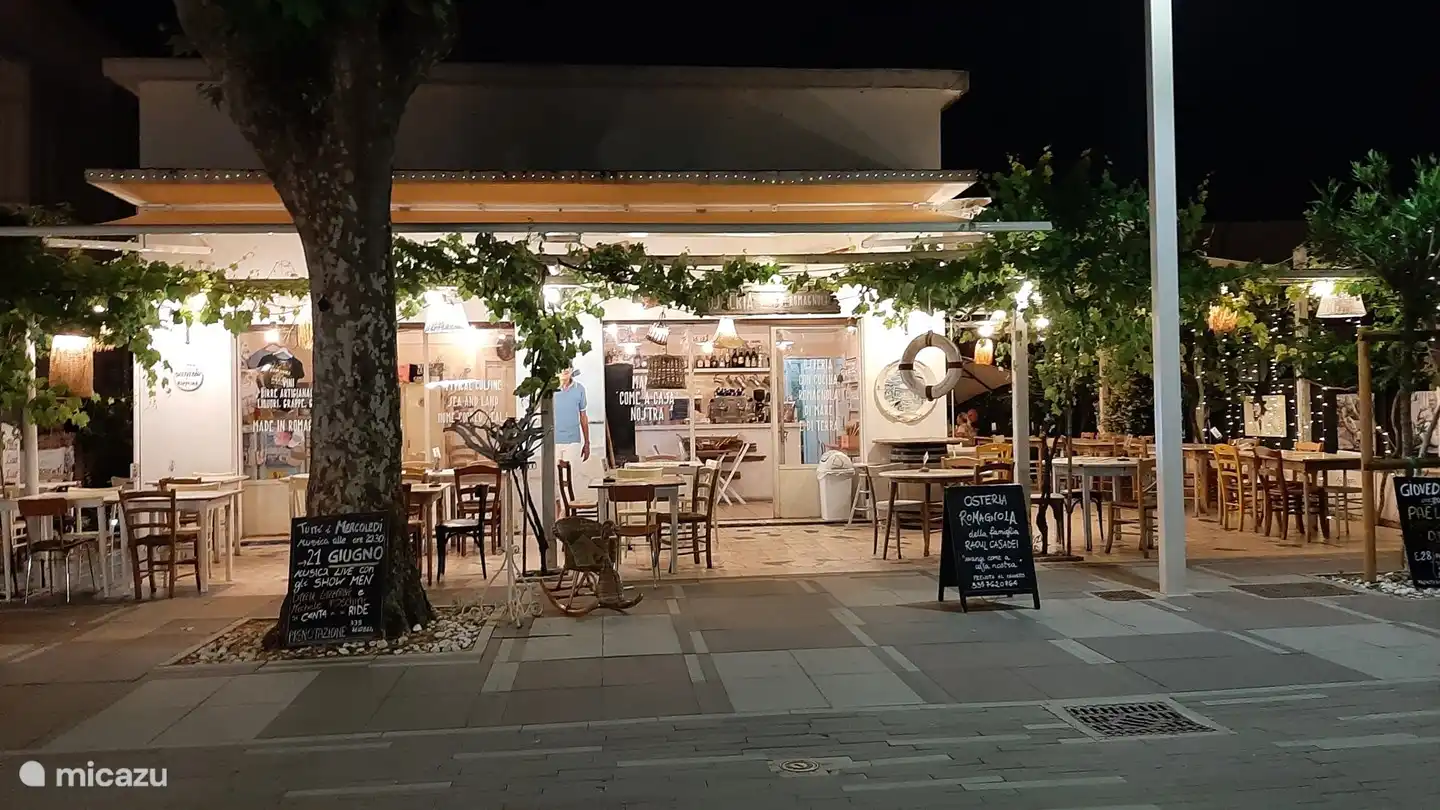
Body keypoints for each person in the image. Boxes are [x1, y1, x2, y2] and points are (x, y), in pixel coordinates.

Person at [554, 367, 590, 515]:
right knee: (556, 480)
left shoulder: (579, 389)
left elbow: (583, 416)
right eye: (562, 369)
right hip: (554, 440)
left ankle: (567, 512)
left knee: (571, 478)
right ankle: (559, 513)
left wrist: (587, 442)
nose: (564, 371)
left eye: (567, 368)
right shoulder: (551, 390)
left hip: (573, 440)